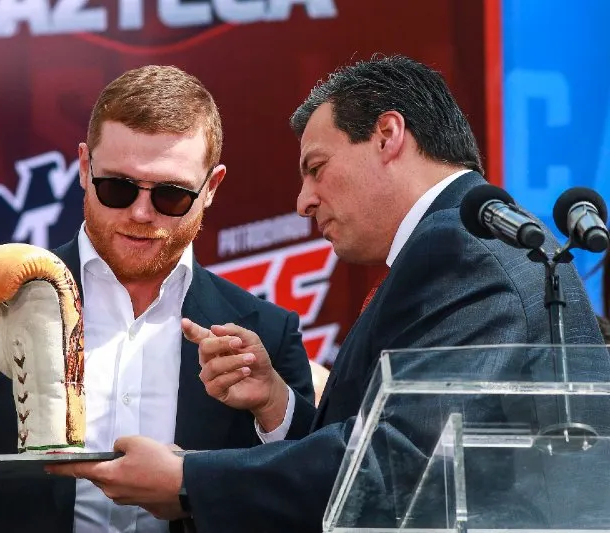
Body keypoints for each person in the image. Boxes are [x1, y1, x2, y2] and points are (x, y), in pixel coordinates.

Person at [46, 55, 610, 532]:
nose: (303, 201)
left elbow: (403, 461)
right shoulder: (459, 247)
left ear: (388, 136)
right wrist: (273, 401)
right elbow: (391, 446)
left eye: (316, 168)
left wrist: (189, 479)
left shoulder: (464, 251)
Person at [0, 65, 314, 533]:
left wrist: (273, 407)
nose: (141, 213)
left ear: (212, 187)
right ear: (84, 168)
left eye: (171, 195)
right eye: (116, 187)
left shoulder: (265, 331)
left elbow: (316, 487)